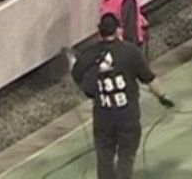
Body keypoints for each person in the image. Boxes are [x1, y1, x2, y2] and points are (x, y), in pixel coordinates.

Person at [72, 13, 168, 179]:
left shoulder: (89, 54)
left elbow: (77, 75)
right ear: (118, 30)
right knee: (126, 157)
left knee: (104, 158)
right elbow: (149, 79)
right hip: (127, 117)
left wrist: (91, 91)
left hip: (103, 117)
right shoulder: (130, 52)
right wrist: (163, 96)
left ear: (99, 32)